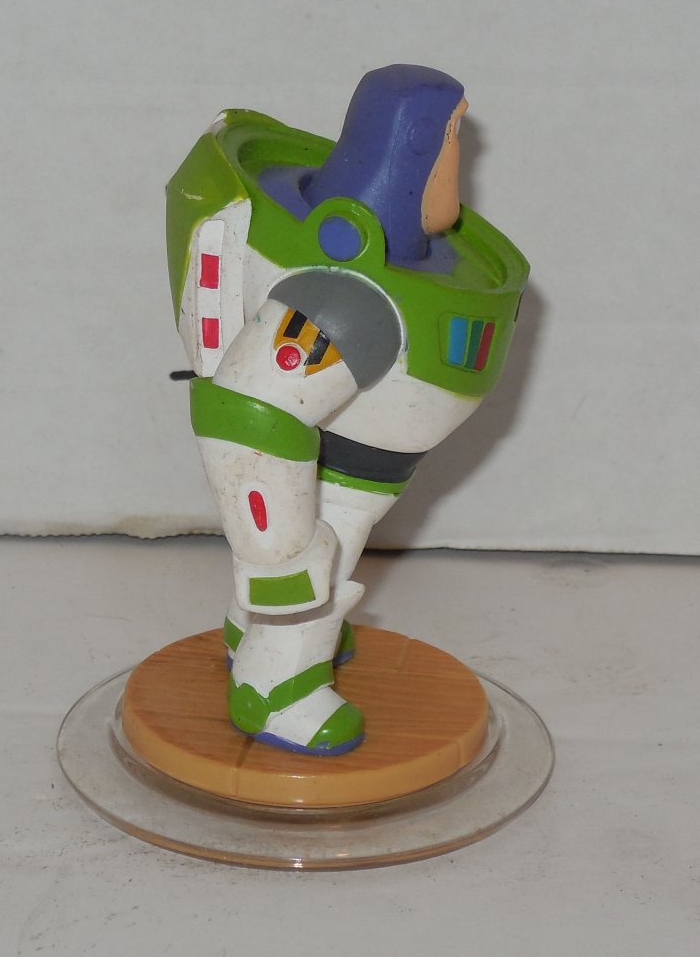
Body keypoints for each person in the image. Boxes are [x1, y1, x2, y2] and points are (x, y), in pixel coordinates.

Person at [166, 65, 528, 755]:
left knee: (334, 542)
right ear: (415, 150)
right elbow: (248, 412)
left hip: (356, 461)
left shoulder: (381, 283)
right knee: (322, 564)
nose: (458, 159)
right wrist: (283, 564)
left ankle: (252, 630)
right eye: (451, 138)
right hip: (327, 482)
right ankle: (277, 690)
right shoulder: (349, 303)